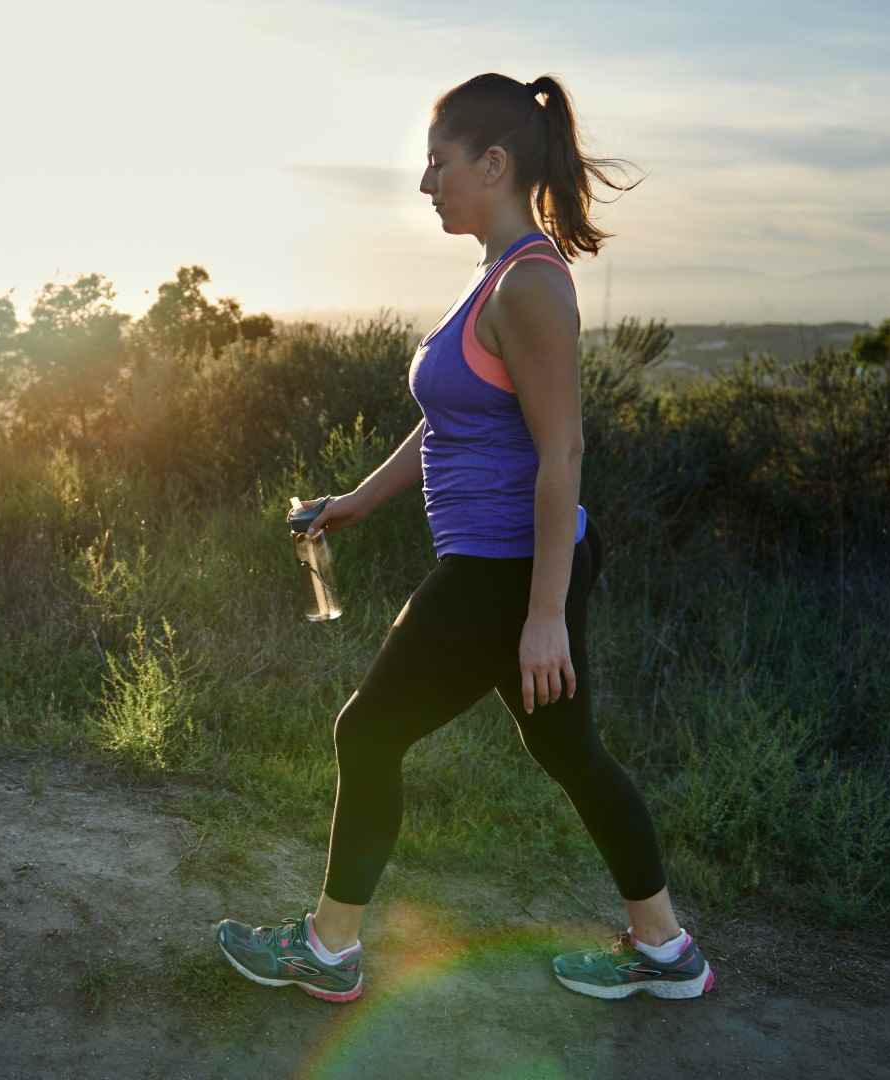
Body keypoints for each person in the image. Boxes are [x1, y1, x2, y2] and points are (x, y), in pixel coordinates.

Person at [214, 72, 715, 1005]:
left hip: (507, 568)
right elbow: (449, 420)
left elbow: (562, 453)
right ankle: (666, 950)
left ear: (493, 163)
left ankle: (327, 950)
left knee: (366, 734)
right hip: (502, 566)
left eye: (437, 163)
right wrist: (360, 500)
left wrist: (543, 616)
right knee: (572, 754)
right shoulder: (494, 278)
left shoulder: (531, 285)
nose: (425, 184)